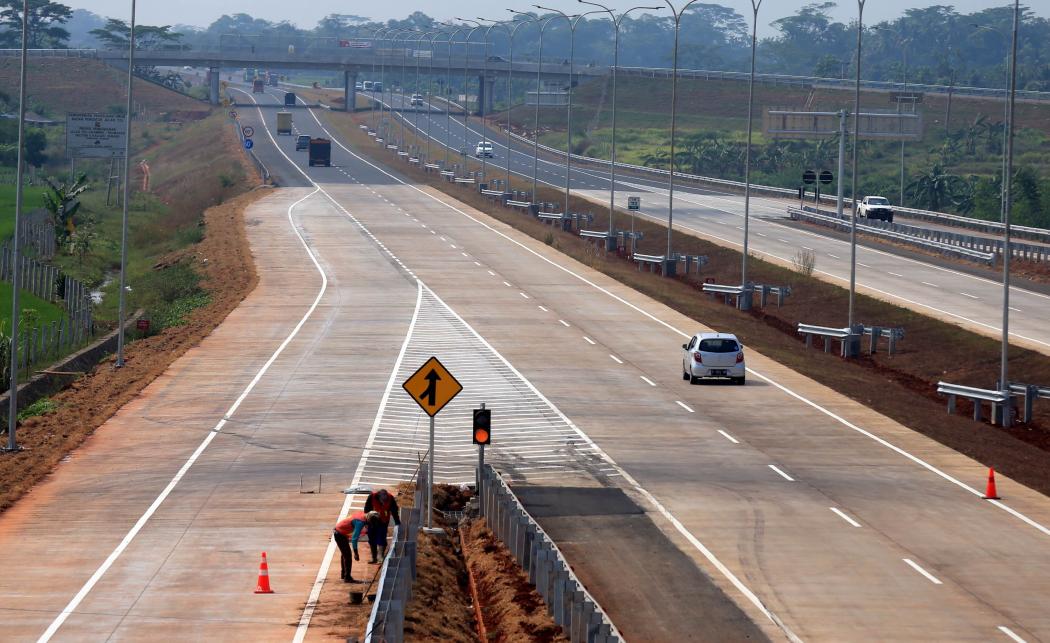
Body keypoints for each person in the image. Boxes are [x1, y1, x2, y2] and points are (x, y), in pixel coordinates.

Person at [332, 511, 379, 582]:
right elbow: (354, 539)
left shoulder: (363, 515)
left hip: (341, 532)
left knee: (345, 554)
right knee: (347, 556)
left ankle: (344, 575)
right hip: (339, 534)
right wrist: (356, 553)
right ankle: (347, 577)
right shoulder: (360, 522)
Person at [363, 489, 401, 563]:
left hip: (383, 521)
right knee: (372, 538)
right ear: (379, 497)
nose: (384, 502)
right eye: (382, 501)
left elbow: (394, 511)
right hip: (372, 520)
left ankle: (380, 556)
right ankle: (374, 558)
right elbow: (366, 509)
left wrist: (397, 522)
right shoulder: (372, 497)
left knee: (382, 538)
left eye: (385, 501)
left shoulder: (390, 498)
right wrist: (366, 522)